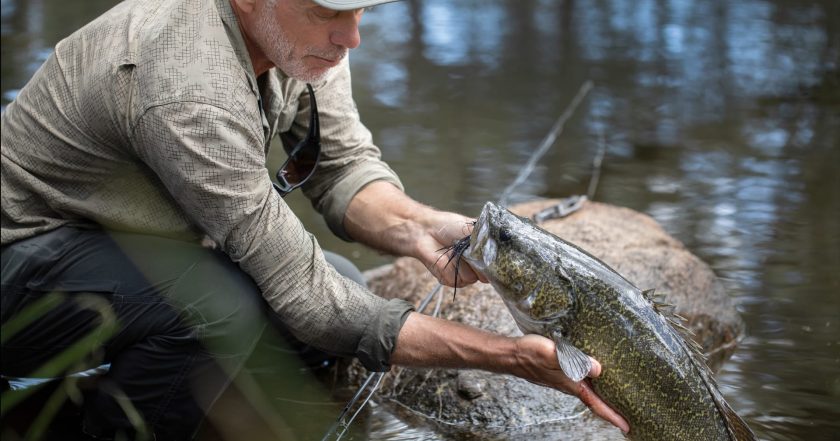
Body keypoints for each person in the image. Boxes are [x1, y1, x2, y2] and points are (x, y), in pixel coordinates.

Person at [0, 0, 630, 439]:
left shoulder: (297, 38)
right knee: (217, 302)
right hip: (25, 255)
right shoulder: (189, 88)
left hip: (121, 244)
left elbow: (342, 166)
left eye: (360, 12)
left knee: (336, 282)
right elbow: (310, 303)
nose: (351, 36)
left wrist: (420, 228)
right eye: (329, 11)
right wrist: (511, 357)